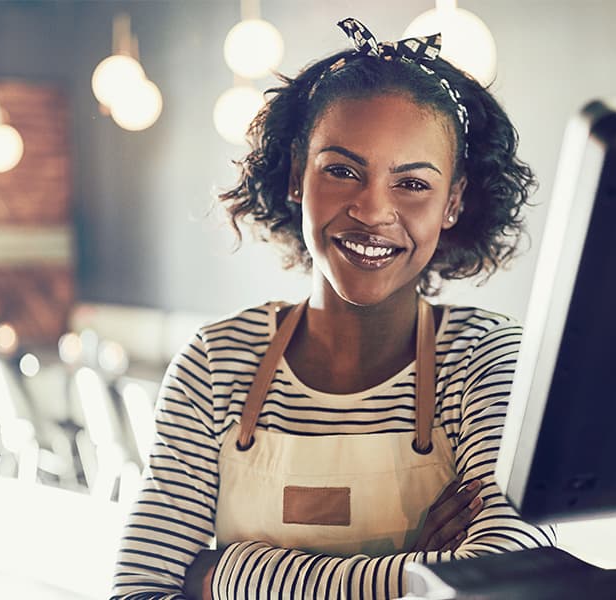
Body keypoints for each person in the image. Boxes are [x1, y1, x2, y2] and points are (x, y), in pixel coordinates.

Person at [111, 18, 556, 600]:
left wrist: (230, 573)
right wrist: (416, 575)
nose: (372, 211)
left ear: (453, 202)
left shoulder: (488, 359)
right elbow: (139, 590)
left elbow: (503, 580)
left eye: (413, 184)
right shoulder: (217, 364)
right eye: (342, 171)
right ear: (299, 176)